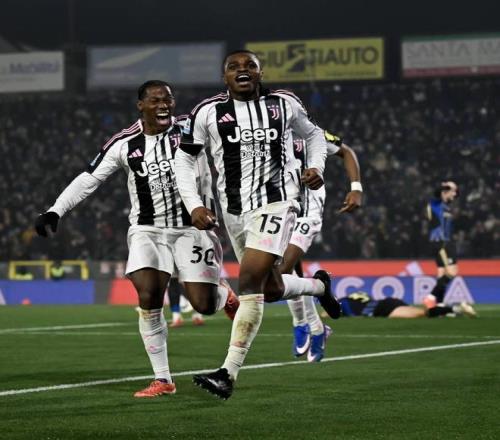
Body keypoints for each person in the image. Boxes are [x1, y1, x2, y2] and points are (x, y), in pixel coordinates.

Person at [34, 80, 239, 398]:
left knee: (203, 303)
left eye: (168, 99)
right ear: (140, 105)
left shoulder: (192, 128)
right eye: (155, 100)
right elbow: (90, 178)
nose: (163, 105)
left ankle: (223, 294)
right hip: (148, 230)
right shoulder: (124, 143)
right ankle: (163, 379)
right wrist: (55, 210)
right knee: (148, 294)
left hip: (193, 228)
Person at [175, 49, 341, 399]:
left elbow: (314, 136)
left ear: (260, 73)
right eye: (234, 66)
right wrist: (194, 205)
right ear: (224, 77)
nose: (243, 70)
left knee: (249, 281)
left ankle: (227, 373)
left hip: (277, 203)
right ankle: (318, 287)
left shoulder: (284, 104)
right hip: (234, 211)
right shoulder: (207, 112)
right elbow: (184, 161)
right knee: (271, 289)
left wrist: (316, 167)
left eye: (250, 65)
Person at [280, 131, 362, 362]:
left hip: (308, 211)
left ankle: (301, 322)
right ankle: (315, 327)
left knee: (282, 269)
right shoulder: (267, 129)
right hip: (281, 209)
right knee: (288, 274)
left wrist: (356, 188)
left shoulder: (311, 131)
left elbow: (346, 152)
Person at [422, 181, 461, 309]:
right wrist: (447, 185)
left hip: (443, 242)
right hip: (442, 242)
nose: (455, 194)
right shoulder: (436, 203)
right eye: (453, 191)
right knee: (452, 271)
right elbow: (436, 191)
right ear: (445, 191)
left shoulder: (446, 206)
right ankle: (431, 297)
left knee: (441, 273)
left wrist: (451, 188)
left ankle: (439, 304)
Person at [340, 291, 476, 318]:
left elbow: (329, 313)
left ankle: (456, 308)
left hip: (383, 309)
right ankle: (452, 312)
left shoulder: (342, 302)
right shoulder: (354, 296)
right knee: (421, 313)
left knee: (423, 313)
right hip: (386, 302)